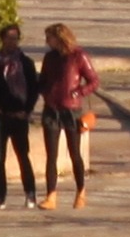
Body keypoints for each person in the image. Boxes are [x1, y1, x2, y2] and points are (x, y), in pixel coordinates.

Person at [37, 23, 100, 211]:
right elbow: (42, 80)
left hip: (71, 111)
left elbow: (94, 80)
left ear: (60, 37)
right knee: (51, 156)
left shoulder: (78, 56)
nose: (47, 42)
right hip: (51, 109)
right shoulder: (49, 58)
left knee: (75, 154)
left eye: (50, 38)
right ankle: (51, 196)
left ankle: (81, 192)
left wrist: (79, 92)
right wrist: (43, 90)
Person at [0, 24, 42, 207]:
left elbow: (34, 89)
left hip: (19, 116)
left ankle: (30, 194)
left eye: (15, 38)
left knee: (23, 156)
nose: (12, 42)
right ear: (3, 39)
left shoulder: (25, 63)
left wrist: (27, 110)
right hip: (0, 116)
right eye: (9, 38)